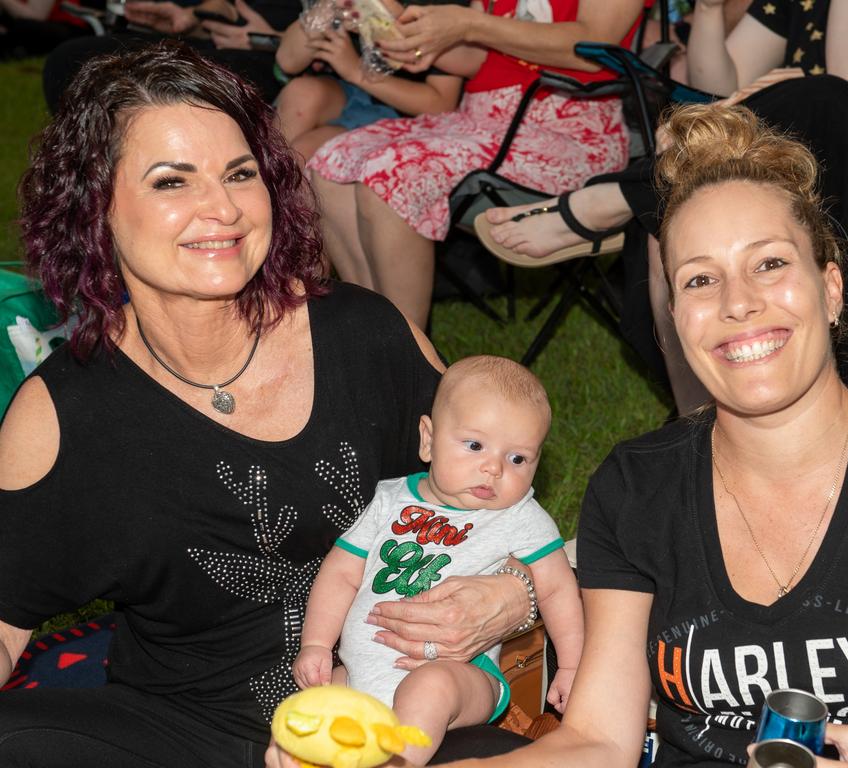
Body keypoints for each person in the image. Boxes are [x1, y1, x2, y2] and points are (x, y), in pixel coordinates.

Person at [0, 41, 541, 767]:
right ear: (94, 206)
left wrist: (514, 594)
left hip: (383, 716)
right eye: (171, 182)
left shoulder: (365, 335)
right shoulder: (63, 413)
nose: (221, 208)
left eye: (239, 173)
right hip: (183, 731)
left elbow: (505, 500)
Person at [440, 103, 848, 768]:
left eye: (770, 264)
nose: (736, 301)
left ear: (831, 290)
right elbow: (600, 738)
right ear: (674, 319)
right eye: (699, 278)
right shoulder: (637, 489)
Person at [479, 0, 848, 409]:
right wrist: (708, 12)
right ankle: (698, 432)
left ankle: (618, 196)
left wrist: (792, 90)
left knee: (823, 99)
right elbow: (710, 90)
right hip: (803, 169)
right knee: (681, 212)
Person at [293, 355, 583, 765]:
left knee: (429, 687)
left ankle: (399, 761)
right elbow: (340, 573)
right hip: (361, 672)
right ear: (427, 439)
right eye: (475, 445)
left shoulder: (520, 516)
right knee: (317, 703)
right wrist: (317, 644)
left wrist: (571, 667)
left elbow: (556, 587)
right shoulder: (389, 500)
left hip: (463, 675)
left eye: (517, 458)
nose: (493, 468)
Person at [306, 0, 649, 331]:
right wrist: (405, 34)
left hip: (567, 131)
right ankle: (378, 334)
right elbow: (477, 58)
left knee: (392, 177)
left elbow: (592, 46)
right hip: (481, 121)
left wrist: (470, 23)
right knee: (330, 166)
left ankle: (410, 364)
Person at [273, 0, 465, 162]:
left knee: (305, 152)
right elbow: (288, 61)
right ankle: (263, 185)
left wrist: (355, 71)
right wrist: (327, 7)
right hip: (350, 91)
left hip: (407, 111)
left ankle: (277, 196)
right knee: (301, 93)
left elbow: (441, 104)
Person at [42, 0, 299, 111]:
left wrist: (273, 40)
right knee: (72, 58)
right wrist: (191, 18)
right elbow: (230, 8)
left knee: (179, 75)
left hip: (287, 60)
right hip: (222, 42)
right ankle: (94, 171)